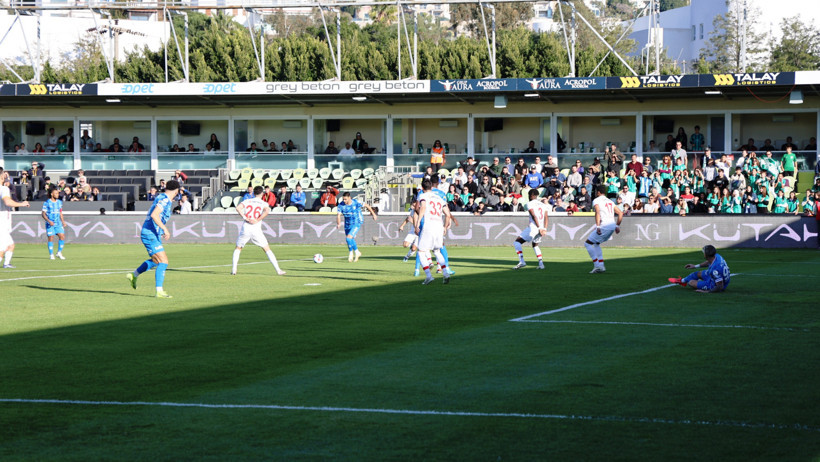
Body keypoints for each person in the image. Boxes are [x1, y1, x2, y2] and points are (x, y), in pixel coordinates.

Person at [126, 179, 180, 299]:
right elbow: (154, 215)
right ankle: (159, 291)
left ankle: (134, 275)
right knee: (163, 262)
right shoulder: (165, 199)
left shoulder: (162, 197)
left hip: (153, 233)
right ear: (176, 191)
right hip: (150, 233)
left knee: (156, 261)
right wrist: (165, 229)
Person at [230, 186, 285, 276]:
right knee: (266, 249)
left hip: (246, 226)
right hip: (256, 228)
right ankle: (278, 270)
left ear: (254, 193)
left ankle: (234, 269)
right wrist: (257, 219)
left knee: (238, 247)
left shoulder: (247, 201)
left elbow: (238, 208)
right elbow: (267, 211)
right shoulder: (263, 203)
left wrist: (245, 217)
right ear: (262, 194)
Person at [413, 179, 452, 285]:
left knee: (421, 252)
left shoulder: (423, 196)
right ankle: (445, 274)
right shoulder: (439, 198)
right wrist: (445, 227)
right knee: (437, 251)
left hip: (428, 225)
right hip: (439, 226)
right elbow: (448, 214)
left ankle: (428, 276)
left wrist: (417, 223)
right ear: (431, 187)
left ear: (422, 188)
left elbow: (423, 207)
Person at [585, 185, 623, 274]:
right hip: (612, 226)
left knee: (587, 244)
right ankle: (601, 265)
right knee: (596, 243)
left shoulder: (596, 200)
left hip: (604, 225)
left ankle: (597, 265)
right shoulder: (610, 201)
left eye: (596, 191)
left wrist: (598, 226)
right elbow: (620, 213)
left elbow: (597, 212)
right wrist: (617, 226)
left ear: (598, 192)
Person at [1, 168, 31, 268]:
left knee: (10, 245)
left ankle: (6, 264)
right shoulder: (3, 189)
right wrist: (22, 204)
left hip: (3, 222)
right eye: (4, 175)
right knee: (3, 248)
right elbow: (7, 202)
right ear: (1, 176)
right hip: (2, 223)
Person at [513, 189, 548, 270]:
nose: (528, 197)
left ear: (532, 195)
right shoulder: (543, 205)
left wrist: (539, 228)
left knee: (517, 242)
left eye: (529, 195)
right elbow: (546, 217)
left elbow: (533, 216)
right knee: (535, 245)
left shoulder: (529, 203)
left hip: (534, 227)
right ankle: (541, 264)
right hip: (541, 228)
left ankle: (522, 261)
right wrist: (544, 229)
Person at [336, 192, 377, 262]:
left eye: (345, 199)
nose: (344, 201)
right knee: (350, 239)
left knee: (348, 238)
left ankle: (351, 253)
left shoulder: (356, 202)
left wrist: (373, 214)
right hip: (347, 224)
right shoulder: (341, 205)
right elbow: (338, 215)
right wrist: (339, 223)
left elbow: (366, 205)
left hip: (356, 222)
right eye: (343, 199)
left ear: (349, 198)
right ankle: (357, 252)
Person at [42, 187, 67, 260]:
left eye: (58, 193)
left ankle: (59, 252)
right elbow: (43, 214)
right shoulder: (47, 203)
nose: (57, 194)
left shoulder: (59, 202)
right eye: (56, 193)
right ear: (52, 194)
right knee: (51, 237)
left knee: (62, 236)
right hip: (50, 223)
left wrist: (63, 221)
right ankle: (51, 254)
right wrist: (48, 221)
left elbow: (60, 212)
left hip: (58, 223)